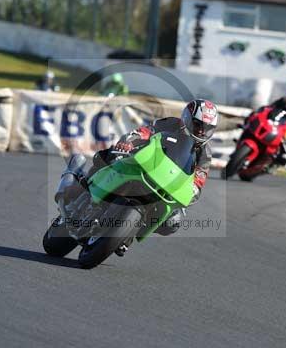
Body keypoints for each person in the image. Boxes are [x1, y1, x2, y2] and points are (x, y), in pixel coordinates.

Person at [86, 99, 218, 253]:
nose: (201, 131)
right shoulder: (170, 124)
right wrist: (130, 141)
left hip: (168, 184)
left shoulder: (205, 154)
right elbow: (145, 132)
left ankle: (129, 232)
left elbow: (199, 181)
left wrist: (192, 191)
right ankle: (84, 188)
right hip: (146, 162)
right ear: (187, 119)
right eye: (198, 125)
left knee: (173, 222)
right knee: (107, 156)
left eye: (207, 128)